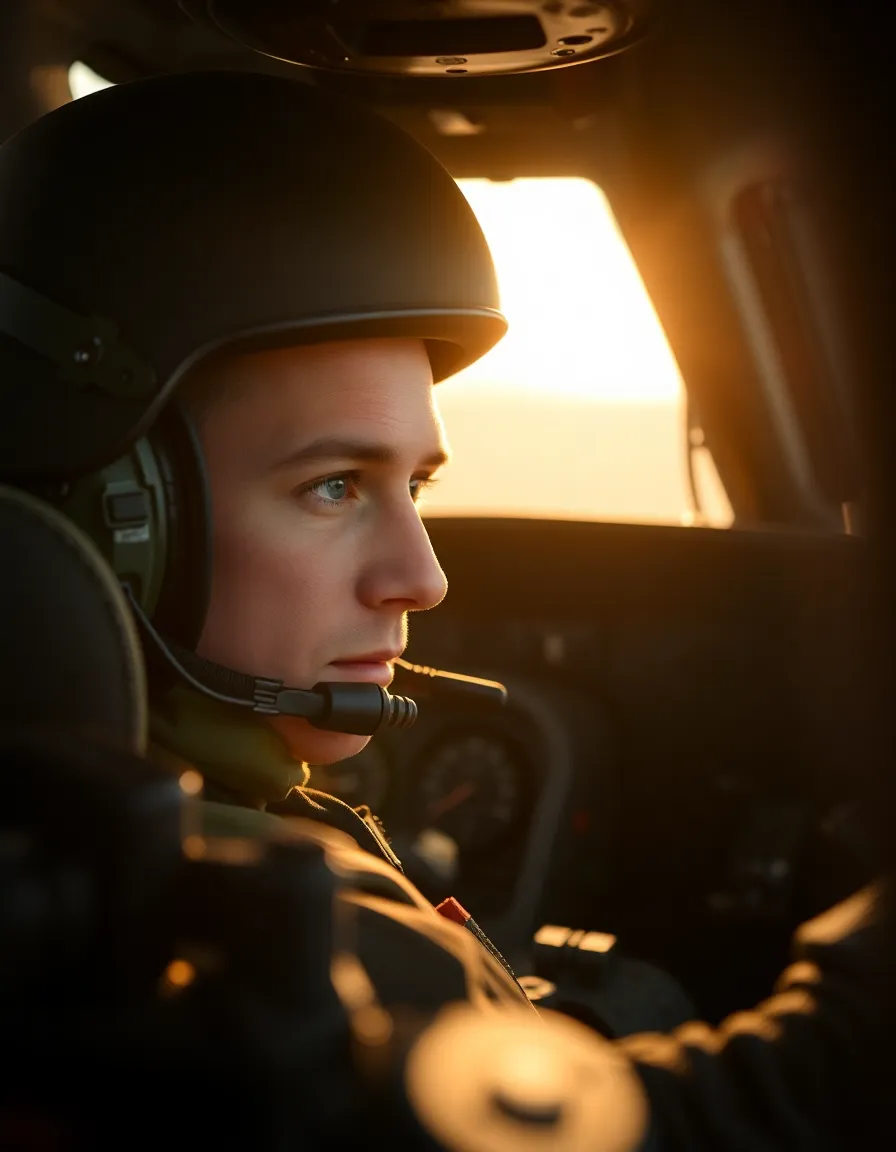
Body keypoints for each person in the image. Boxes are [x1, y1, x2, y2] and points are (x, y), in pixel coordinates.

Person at [0, 66, 887, 1150]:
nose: (421, 579)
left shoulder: (73, 860)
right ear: (119, 521)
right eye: (332, 486)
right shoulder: (256, 956)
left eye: (413, 486)